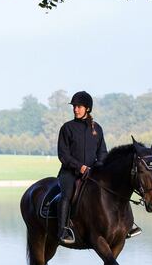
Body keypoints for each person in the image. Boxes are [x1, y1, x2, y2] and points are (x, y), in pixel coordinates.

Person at [56, 91, 142, 244]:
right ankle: (63, 230)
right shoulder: (67, 128)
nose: (75, 109)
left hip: (92, 172)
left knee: (116, 190)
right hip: (69, 173)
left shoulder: (97, 129)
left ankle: (128, 225)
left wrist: (101, 167)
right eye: (74, 106)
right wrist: (80, 167)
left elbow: (102, 153)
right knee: (66, 195)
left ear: (87, 108)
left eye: (79, 106)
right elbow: (63, 155)